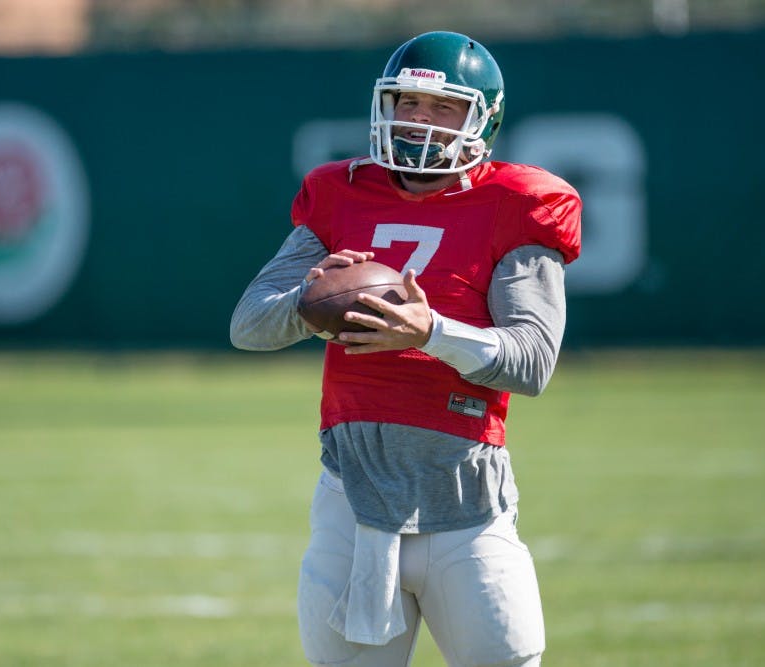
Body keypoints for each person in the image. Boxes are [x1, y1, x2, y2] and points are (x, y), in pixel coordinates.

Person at [230, 30, 581, 667]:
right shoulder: (341, 193)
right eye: (405, 104)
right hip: (350, 500)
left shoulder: (518, 203)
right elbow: (249, 325)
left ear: (481, 120)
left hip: (468, 506)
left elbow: (532, 360)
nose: (418, 121)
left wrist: (430, 332)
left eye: (441, 108)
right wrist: (308, 302)